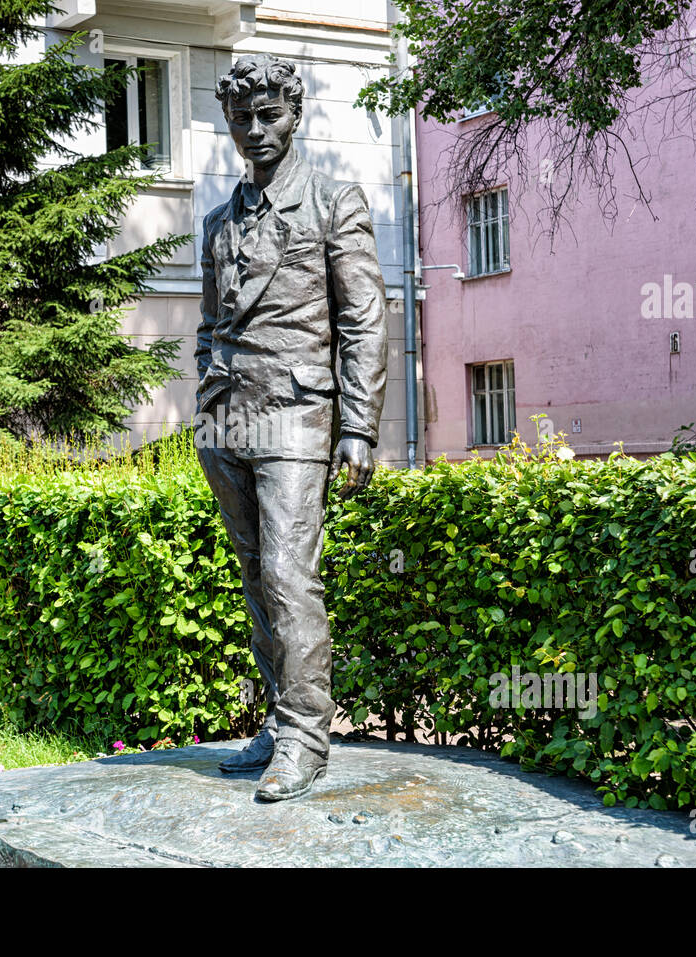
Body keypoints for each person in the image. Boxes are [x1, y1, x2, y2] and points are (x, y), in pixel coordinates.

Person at [195, 53, 387, 801]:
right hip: (228, 423)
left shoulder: (333, 202)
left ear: (294, 113)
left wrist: (359, 428)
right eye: (242, 118)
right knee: (255, 580)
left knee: (287, 574)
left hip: (301, 418)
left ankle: (308, 734)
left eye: (268, 114)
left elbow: (364, 319)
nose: (255, 130)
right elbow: (211, 324)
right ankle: (280, 723)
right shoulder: (218, 222)